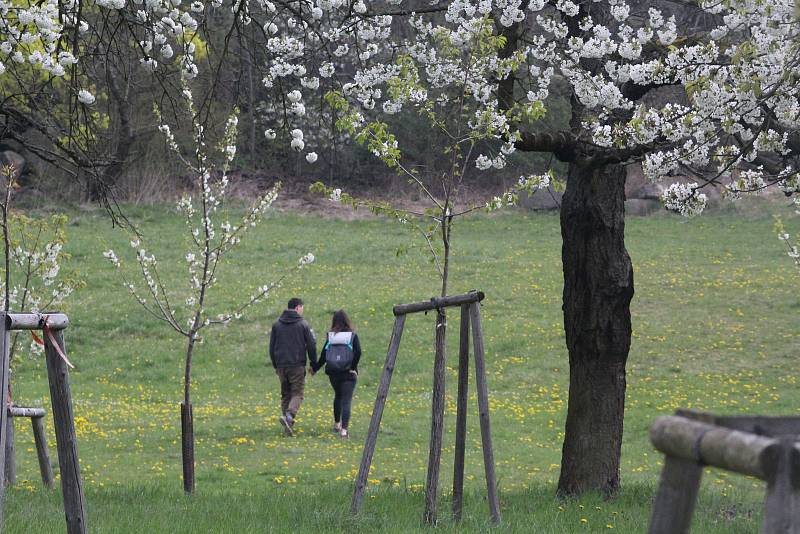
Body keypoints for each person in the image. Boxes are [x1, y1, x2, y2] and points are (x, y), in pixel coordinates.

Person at [269, 297, 317, 436]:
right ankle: (289, 416)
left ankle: (287, 427)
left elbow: (271, 347)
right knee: (297, 394)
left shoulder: (277, 324)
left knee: (285, 395)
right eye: (302, 307)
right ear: (297, 308)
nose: (302, 310)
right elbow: (311, 346)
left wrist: (275, 365)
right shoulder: (303, 324)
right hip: (297, 365)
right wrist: (313, 363)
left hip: (281, 365)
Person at [312, 309, 361, 439]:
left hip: (333, 373)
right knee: (346, 400)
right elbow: (359, 352)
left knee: (338, 396)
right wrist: (353, 367)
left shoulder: (331, 337)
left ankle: (337, 424)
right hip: (348, 374)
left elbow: (324, 355)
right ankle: (344, 431)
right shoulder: (352, 336)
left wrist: (315, 369)